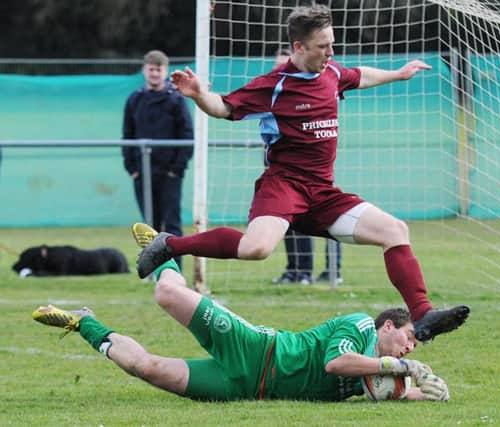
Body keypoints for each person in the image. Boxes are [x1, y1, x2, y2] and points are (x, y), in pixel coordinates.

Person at [137, 4, 470, 342]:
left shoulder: (332, 73)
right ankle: (170, 245)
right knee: (257, 249)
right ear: (299, 47)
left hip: (323, 193)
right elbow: (224, 107)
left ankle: (422, 315)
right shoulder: (274, 85)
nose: (331, 52)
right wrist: (198, 95)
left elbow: (360, 75)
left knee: (395, 230)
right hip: (284, 186)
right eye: (323, 46)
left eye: (332, 43)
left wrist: (398, 74)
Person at [31, 223, 449, 402]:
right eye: (410, 336)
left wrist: (426, 395)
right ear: (387, 325)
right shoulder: (360, 327)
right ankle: (164, 252)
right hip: (256, 349)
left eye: (414, 345)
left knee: (149, 368)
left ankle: (83, 322)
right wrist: (399, 364)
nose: (411, 345)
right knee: (168, 297)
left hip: (247, 388)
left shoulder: (379, 371)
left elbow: (384, 389)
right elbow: (337, 363)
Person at [269, 48, 343, 286]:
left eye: (283, 63)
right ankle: (295, 270)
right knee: (286, 224)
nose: (279, 68)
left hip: (310, 173)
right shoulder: (272, 91)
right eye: (275, 65)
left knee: (322, 221)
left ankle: (323, 271)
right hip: (280, 172)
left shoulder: (313, 88)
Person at [122, 50, 194, 268]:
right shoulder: (135, 99)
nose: (155, 73)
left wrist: (177, 168)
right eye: (151, 69)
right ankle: (154, 270)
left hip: (170, 172)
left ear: (166, 71)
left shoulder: (176, 99)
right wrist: (132, 168)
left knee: (171, 223)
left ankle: (176, 270)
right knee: (148, 226)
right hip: (142, 172)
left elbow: (187, 133)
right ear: (144, 70)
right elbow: (128, 134)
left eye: (159, 69)